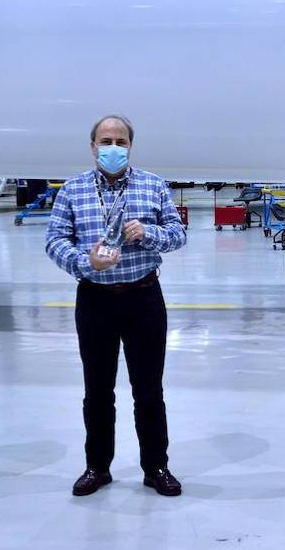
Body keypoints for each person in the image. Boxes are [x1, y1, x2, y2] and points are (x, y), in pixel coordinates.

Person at [45, 115, 187, 497]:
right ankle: (97, 466)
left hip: (143, 296)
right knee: (97, 389)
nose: (113, 148)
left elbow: (177, 234)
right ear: (92, 147)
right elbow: (55, 240)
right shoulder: (71, 190)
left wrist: (149, 232)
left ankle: (156, 466)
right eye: (105, 141)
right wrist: (84, 261)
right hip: (95, 299)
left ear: (130, 146)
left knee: (149, 389)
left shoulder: (153, 186)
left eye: (120, 141)